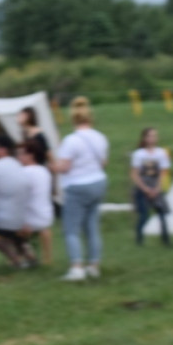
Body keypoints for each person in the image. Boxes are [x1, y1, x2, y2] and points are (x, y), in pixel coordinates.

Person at [54, 96, 108, 281]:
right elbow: (103, 162)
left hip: (78, 185)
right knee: (92, 227)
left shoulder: (71, 140)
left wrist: (53, 166)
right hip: (98, 183)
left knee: (71, 229)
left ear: (73, 119)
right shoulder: (100, 137)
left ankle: (76, 266)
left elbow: (65, 167)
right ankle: (93, 265)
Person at [0, 134, 35, 267]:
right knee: (15, 235)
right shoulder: (16, 164)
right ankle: (28, 254)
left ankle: (16, 260)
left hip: (4, 218)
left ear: (3, 149)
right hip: (22, 216)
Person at [130, 127, 172, 247]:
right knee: (144, 215)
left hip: (156, 186)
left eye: (155, 136)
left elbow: (163, 172)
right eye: (150, 136)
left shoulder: (161, 153)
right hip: (143, 187)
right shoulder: (139, 154)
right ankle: (139, 239)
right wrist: (145, 188)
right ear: (145, 138)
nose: (153, 138)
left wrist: (158, 187)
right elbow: (135, 174)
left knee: (162, 214)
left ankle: (166, 240)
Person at [15, 141, 55, 264]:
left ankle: (25, 257)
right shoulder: (44, 170)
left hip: (30, 217)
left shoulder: (24, 172)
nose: (18, 157)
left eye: (21, 154)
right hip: (46, 214)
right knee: (44, 229)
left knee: (10, 229)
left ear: (30, 155)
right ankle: (47, 257)